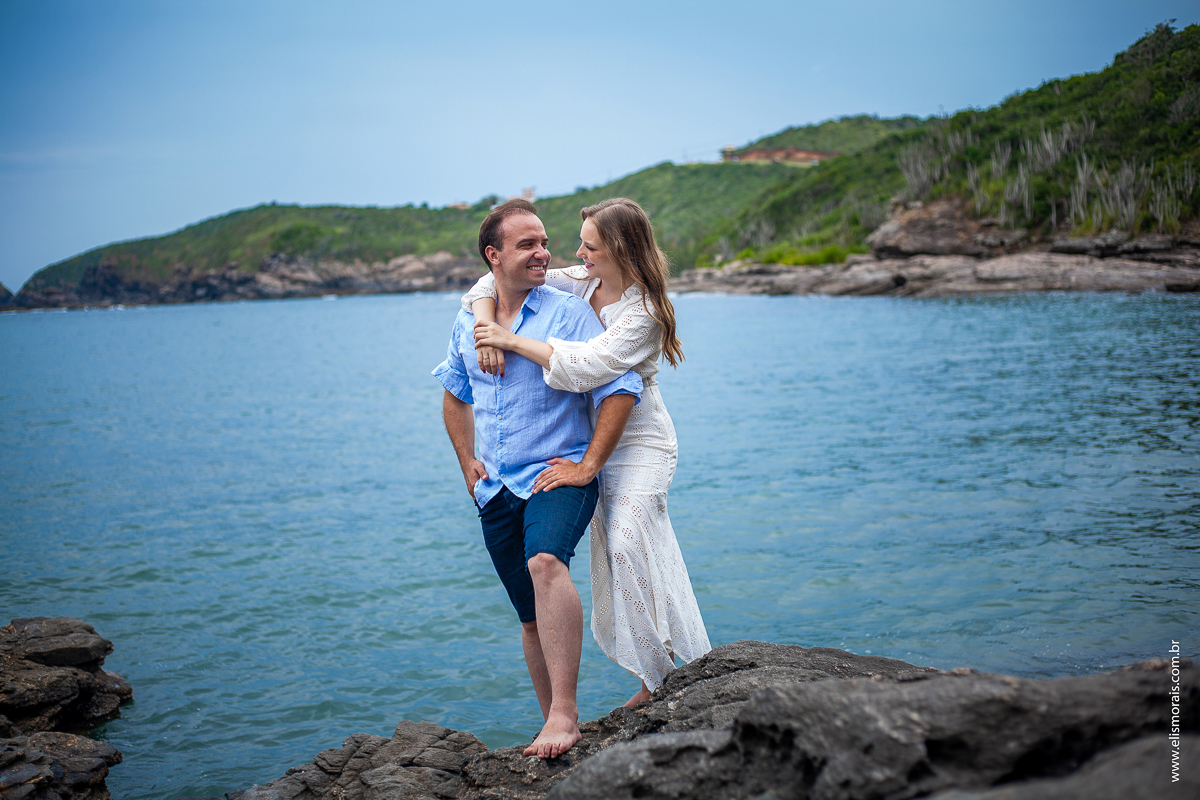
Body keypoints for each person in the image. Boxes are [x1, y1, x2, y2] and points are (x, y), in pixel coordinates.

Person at [465, 197, 712, 708]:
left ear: (619, 249)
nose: (577, 253)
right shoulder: (582, 282)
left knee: (625, 544)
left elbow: (589, 365)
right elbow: (487, 283)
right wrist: (486, 327)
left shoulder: (643, 310)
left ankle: (655, 679)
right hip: (590, 437)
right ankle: (661, 667)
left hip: (637, 442)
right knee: (627, 554)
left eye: (589, 245)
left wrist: (507, 340)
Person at [433, 198, 642, 760]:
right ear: (493, 256)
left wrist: (589, 465)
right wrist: (466, 463)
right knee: (528, 616)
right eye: (528, 245)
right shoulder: (468, 319)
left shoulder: (568, 314)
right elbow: (454, 395)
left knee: (546, 562)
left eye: (545, 242)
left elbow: (621, 389)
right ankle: (550, 722)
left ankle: (565, 715)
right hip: (496, 486)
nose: (544, 253)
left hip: (559, 473)